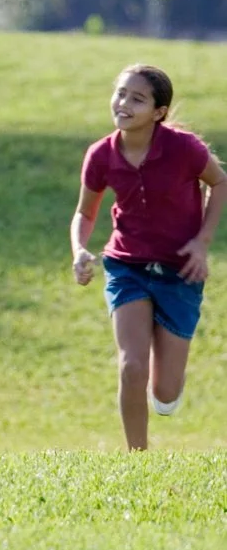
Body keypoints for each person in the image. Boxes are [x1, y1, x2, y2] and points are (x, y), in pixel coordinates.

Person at [71, 62, 224, 450]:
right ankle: (136, 458)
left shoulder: (184, 149)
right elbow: (85, 213)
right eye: (120, 93)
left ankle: (168, 378)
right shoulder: (101, 155)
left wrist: (202, 242)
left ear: (159, 112)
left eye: (137, 99)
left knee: (166, 396)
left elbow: (220, 182)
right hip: (127, 266)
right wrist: (79, 250)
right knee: (131, 365)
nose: (123, 103)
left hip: (180, 270)